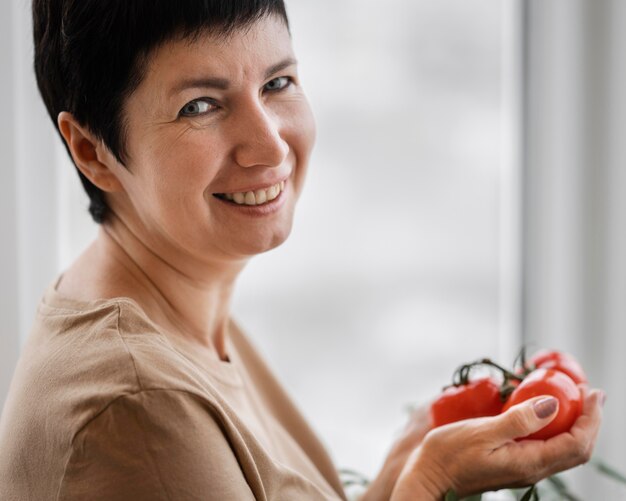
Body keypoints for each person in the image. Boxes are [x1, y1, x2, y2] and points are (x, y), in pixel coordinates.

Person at [0, 1, 604, 500]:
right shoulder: (137, 407)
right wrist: (433, 481)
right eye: (200, 105)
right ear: (91, 149)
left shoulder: (186, 304)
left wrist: (406, 462)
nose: (269, 145)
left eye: (278, 82)